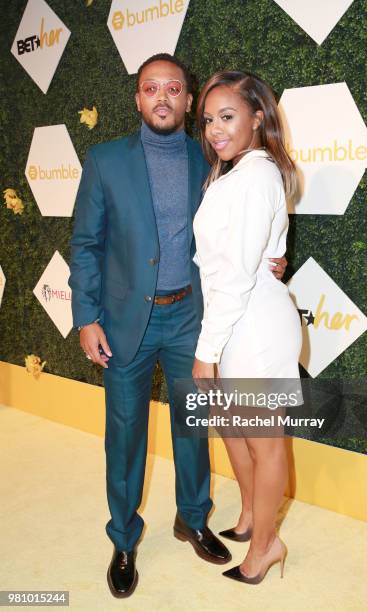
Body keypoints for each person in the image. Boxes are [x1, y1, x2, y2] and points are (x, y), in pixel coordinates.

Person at [68, 54, 287, 598]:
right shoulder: (104, 160)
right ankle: (124, 538)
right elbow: (86, 246)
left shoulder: (209, 158)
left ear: (189, 102)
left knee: (193, 429)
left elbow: (234, 234)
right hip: (123, 323)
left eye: (174, 89)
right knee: (125, 435)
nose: (163, 97)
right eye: (151, 88)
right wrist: (85, 317)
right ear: (137, 99)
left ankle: (192, 517)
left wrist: (268, 259)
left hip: (191, 314)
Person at [192, 70, 302, 585]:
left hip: (253, 325)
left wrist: (206, 349)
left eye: (228, 116)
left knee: (264, 439)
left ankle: (265, 548)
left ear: (258, 117)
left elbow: (237, 271)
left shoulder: (255, 174)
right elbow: (262, 253)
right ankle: (253, 517)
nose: (215, 128)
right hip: (237, 316)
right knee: (236, 430)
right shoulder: (235, 174)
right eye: (210, 119)